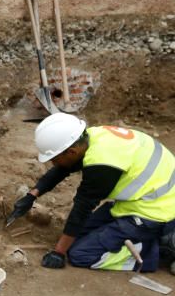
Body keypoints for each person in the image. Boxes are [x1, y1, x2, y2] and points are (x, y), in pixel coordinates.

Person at [10, 113, 175, 272]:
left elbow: (82, 208)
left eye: (54, 158)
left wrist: (59, 252)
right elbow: (64, 168)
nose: (52, 162)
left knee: (80, 254)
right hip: (140, 200)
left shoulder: (102, 164)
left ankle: (157, 250)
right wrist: (32, 195)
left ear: (71, 152)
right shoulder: (89, 137)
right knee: (77, 236)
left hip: (156, 211)